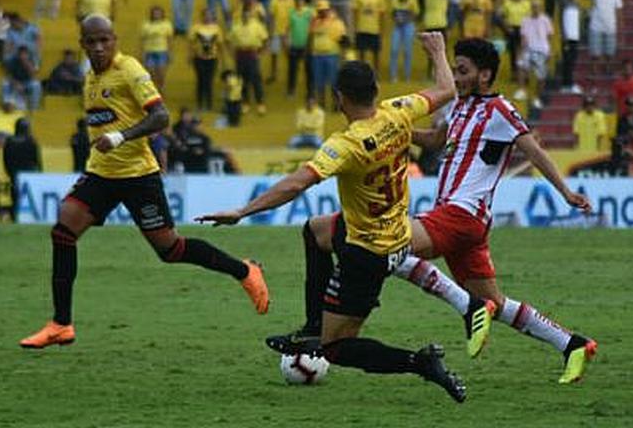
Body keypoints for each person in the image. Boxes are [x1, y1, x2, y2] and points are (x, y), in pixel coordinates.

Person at [266, 36, 598, 385]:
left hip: (463, 214)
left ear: (485, 75)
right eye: (454, 69)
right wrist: (391, 129)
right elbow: (435, 140)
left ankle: (466, 307)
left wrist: (565, 191)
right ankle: (572, 344)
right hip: (458, 221)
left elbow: (533, 150)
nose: (456, 76)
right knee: (495, 303)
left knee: (382, 246)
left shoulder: (499, 110)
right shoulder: (457, 107)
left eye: (464, 70)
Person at [198, 34, 469, 403]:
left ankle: (419, 363)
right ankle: (312, 326)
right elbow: (445, 88)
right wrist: (438, 51)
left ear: (339, 97)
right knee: (315, 230)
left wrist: (242, 211)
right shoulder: (398, 110)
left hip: (369, 251)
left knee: (337, 347)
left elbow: (296, 184)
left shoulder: (347, 144)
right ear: (375, 90)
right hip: (390, 230)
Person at [19, 15, 270, 349]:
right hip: (101, 173)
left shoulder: (131, 70)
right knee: (63, 232)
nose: (98, 47)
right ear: (82, 44)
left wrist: (121, 137)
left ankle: (244, 271)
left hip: (138, 176)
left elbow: (161, 116)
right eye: (91, 41)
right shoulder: (90, 77)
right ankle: (61, 324)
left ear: (115, 39)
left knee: (170, 249)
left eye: (104, 40)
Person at [229, 7, 268, 115]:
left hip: (252, 54)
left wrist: (262, 52)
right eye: (244, 15)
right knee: (242, 80)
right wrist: (232, 54)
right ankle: (245, 103)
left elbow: (265, 39)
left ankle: (260, 104)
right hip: (240, 55)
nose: (246, 17)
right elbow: (229, 40)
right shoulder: (236, 26)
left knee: (256, 80)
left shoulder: (257, 25)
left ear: (250, 16)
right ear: (241, 16)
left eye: (247, 15)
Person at [516, 0, 553, 109]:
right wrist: (521, 52)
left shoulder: (546, 20)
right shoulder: (525, 20)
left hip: (542, 50)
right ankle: (522, 90)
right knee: (520, 66)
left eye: (537, 7)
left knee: (541, 76)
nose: (535, 9)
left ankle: (537, 98)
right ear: (531, 8)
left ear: (540, 8)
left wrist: (549, 51)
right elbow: (523, 37)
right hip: (528, 49)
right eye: (534, 6)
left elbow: (549, 36)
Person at [309, 0, 346, 108]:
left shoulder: (336, 22)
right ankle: (321, 102)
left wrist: (343, 55)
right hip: (317, 55)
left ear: (328, 10)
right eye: (319, 11)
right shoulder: (314, 22)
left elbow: (342, 39)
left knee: (334, 81)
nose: (321, 13)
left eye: (324, 10)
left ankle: (336, 103)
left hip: (332, 55)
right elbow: (311, 37)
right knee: (319, 82)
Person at [4, 118, 41, 219]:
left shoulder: (9, 141)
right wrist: (39, 171)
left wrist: (8, 171)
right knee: (29, 196)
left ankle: (15, 215)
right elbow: (36, 159)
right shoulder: (31, 140)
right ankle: (30, 215)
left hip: (14, 172)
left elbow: (6, 158)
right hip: (28, 172)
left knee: (15, 195)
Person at [588, 0, 623, 79]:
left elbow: (619, 10)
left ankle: (608, 68)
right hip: (596, 26)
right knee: (595, 51)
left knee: (610, 51)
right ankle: (594, 69)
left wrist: (620, 23)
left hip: (610, 26)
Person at [190, 9, 224, 111]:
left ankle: (209, 104)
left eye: (209, 15)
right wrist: (190, 55)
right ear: (202, 16)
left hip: (212, 58)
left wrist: (221, 57)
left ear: (212, 17)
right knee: (200, 81)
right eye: (205, 15)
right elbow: (191, 43)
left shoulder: (216, 28)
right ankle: (200, 104)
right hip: (199, 58)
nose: (207, 17)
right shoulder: (196, 28)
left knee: (209, 81)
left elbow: (220, 44)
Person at [353, 0, 385, 73]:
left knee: (376, 54)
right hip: (361, 28)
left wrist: (382, 29)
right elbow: (354, 12)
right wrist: (354, 27)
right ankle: (362, 73)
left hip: (374, 29)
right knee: (361, 53)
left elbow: (382, 14)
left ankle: (376, 73)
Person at [389, 0, 418, 83]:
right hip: (397, 27)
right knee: (394, 50)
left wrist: (406, 19)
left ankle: (407, 76)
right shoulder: (394, 0)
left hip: (408, 26)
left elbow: (415, 14)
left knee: (407, 51)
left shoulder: (411, 1)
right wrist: (397, 19)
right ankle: (393, 76)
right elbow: (392, 13)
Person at [140, 6, 174, 91]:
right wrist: (142, 53)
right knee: (150, 74)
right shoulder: (146, 24)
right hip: (149, 52)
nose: (156, 15)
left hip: (162, 52)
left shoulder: (167, 24)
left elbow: (169, 40)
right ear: (151, 14)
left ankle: (161, 90)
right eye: (155, 13)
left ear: (162, 14)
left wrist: (170, 53)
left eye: (158, 13)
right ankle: (153, 91)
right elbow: (143, 40)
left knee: (161, 74)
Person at [287, 0, 314, 98]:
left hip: (306, 45)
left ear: (304, 0)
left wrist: (310, 43)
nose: (299, 1)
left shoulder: (309, 11)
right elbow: (287, 29)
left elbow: (313, 27)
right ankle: (291, 90)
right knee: (292, 69)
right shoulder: (291, 12)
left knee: (309, 70)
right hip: (294, 45)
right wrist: (287, 43)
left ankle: (310, 92)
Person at [3, 46, 43, 110]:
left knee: (36, 84)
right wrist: (16, 84)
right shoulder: (13, 62)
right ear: (18, 54)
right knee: (5, 84)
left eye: (25, 54)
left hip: (27, 82)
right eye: (21, 54)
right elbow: (9, 76)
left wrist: (27, 63)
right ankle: (6, 105)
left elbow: (33, 75)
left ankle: (34, 107)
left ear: (28, 54)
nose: (23, 56)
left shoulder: (31, 61)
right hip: (16, 81)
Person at [559, 0, 582, 93]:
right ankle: (566, 84)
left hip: (575, 37)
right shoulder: (564, 7)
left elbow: (578, 23)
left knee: (572, 62)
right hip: (567, 38)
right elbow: (562, 22)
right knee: (567, 62)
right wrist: (564, 37)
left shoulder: (577, 7)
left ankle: (569, 84)